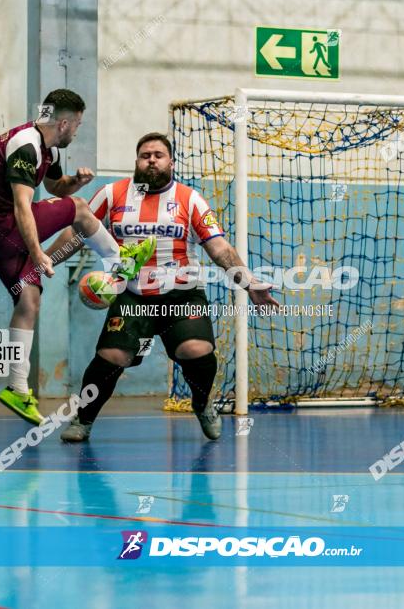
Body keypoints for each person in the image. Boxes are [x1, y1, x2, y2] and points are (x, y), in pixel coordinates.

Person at [55, 132, 278, 442]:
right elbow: (79, 232)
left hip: (182, 295)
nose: (151, 160)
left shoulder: (190, 199)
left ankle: (202, 405)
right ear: (136, 161)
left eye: (158, 155)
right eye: (145, 155)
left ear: (171, 162)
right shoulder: (112, 193)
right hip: (132, 295)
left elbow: (219, 248)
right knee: (112, 355)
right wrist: (45, 261)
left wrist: (249, 282)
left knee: (196, 350)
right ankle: (83, 420)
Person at [0, 89, 155, 425]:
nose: (77, 132)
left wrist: (76, 181)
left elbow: (56, 189)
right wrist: (38, 253)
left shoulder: (44, 148)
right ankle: (120, 260)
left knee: (29, 299)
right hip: (0, 228)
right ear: (64, 123)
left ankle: (17, 388)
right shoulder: (26, 146)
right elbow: (22, 205)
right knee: (81, 211)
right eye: (78, 126)